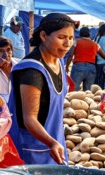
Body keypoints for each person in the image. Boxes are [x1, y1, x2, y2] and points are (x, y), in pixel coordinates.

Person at [8, 12, 76, 165]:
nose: (67, 44)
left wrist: (55, 142)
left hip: (55, 143)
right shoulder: (32, 71)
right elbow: (29, 119)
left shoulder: (59, 62)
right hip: (32, 148)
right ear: (44, 36)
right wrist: (51, 142)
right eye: (61, 38)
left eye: (71, 38)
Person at [95, 24, 105, 88]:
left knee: (98, 84)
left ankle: (98, 96)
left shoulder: (96, 38)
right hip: (104, 63)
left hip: (97, 63)